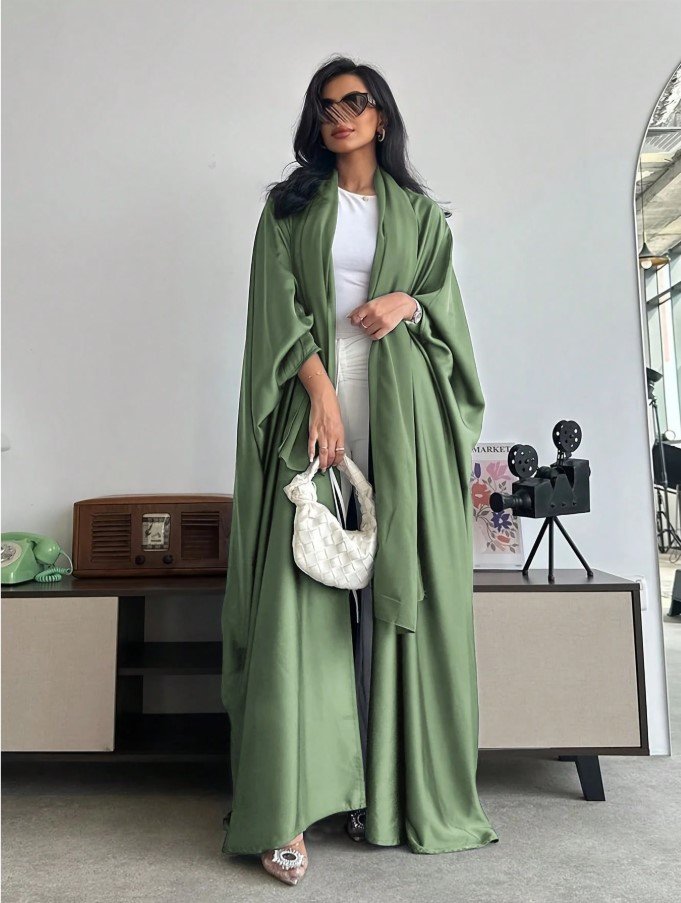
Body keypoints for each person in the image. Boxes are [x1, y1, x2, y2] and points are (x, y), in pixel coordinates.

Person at [221, 54, 499, 887]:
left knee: (396, 594)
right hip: (315, 401)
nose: (337, 115)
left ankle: (385, 795)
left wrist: (407, 302)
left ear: (380, 115)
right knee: (300, 595)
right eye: (324, 105)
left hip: (404, 416)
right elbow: (278, 310)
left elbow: (443, 312)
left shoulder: (419, 215)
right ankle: (285, 811)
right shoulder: (288, 209)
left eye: (353, 101)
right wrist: (321, 395)